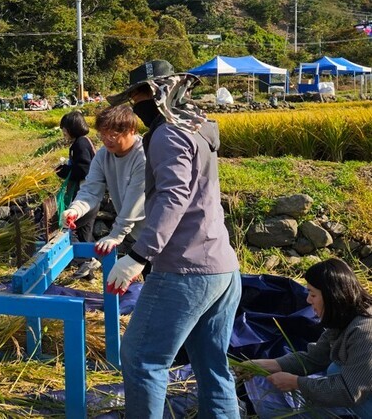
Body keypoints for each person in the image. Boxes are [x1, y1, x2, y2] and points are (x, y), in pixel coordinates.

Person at [105, 60, 241, 418]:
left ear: (159, 92)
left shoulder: (168, 133)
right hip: (222, 268)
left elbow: (173, 195)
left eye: (139, 96)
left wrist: (138, 256)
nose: (136, 106)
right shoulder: (197, 127)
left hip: (184, 269)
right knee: (212, 365)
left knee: (142, 358)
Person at [244, 258, 372, 417]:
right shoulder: (343, 320)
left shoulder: (365, 332)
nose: (308, 300)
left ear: (332, 296)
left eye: (312, 294)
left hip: (361, 405)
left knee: (332, 372)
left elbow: (350, 391)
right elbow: (315, 358)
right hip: (353, 398)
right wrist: (265, 364)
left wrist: (296, 383)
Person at [60, 106, 146, 280]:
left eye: (113, 135)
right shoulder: (102, 156)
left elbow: (135, 200)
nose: (107, 140)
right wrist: (75, 210)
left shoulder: (143, 155)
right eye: (102, 134)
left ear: (131, 130)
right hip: (140, 236)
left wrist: (115, 235)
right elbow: (91, 190)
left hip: (160, 235)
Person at [54, 111, 98, 246]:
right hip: (90, 194)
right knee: (84, 231)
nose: (63, 132)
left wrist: (63, 170)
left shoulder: (81, 144)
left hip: (86, 195)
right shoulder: (82, 142)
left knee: (75, 228)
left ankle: (87, 260)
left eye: (64, 129)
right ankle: (89, 260)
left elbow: (84, 170)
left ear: (71, 128)